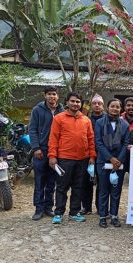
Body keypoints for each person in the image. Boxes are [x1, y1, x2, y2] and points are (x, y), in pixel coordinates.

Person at [48, 92, 96, 224]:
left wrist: (92, 156)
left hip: (83, 159)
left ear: (81, 104)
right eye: (73, 101)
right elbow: (53, 139)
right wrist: (52, 156)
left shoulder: (86, 120)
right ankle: (58, 213)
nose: (75, 104)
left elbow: (91, 139)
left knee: (78, 187)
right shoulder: (59, 118)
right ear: (67, 102)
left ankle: (74, 212)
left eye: (78, 102)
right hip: (64, 158)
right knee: (62, 187)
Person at [28, 86, 64, 221]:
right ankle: (38, 208)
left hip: (56, 152)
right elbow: (32, 130)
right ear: (45, 96)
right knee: (39, 181)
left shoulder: (62, 111)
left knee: (52, 181)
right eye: (49, 94)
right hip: (41, 151)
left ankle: (48, 207)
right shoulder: (37, 110)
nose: (52, 97)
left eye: (54, 94)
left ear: (58, 96)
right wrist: (36, 148)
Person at [95, 98, 130, 228]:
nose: (115, 109)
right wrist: (110, 158)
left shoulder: (125, 125)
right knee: (103, 189)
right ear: (107, 108)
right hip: (103, 161)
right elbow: (98, 142)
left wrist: (119, 159)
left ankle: (114, 216)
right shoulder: (99, 123)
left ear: (121, 109)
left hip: (119, 162)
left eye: (117, 106)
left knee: (116, 190)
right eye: (112, 106)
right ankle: (103, 216)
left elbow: (125, 143)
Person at [80, 93, 106, 215]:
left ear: (103, 106)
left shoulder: (107, 119)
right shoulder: (85, 119)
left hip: (102, 155)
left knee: (101, 182)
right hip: (87, 154)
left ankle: (100, 207)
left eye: (99, 104)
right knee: (86, 182)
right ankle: (86, 207)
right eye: (94, 103)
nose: (97, 105)